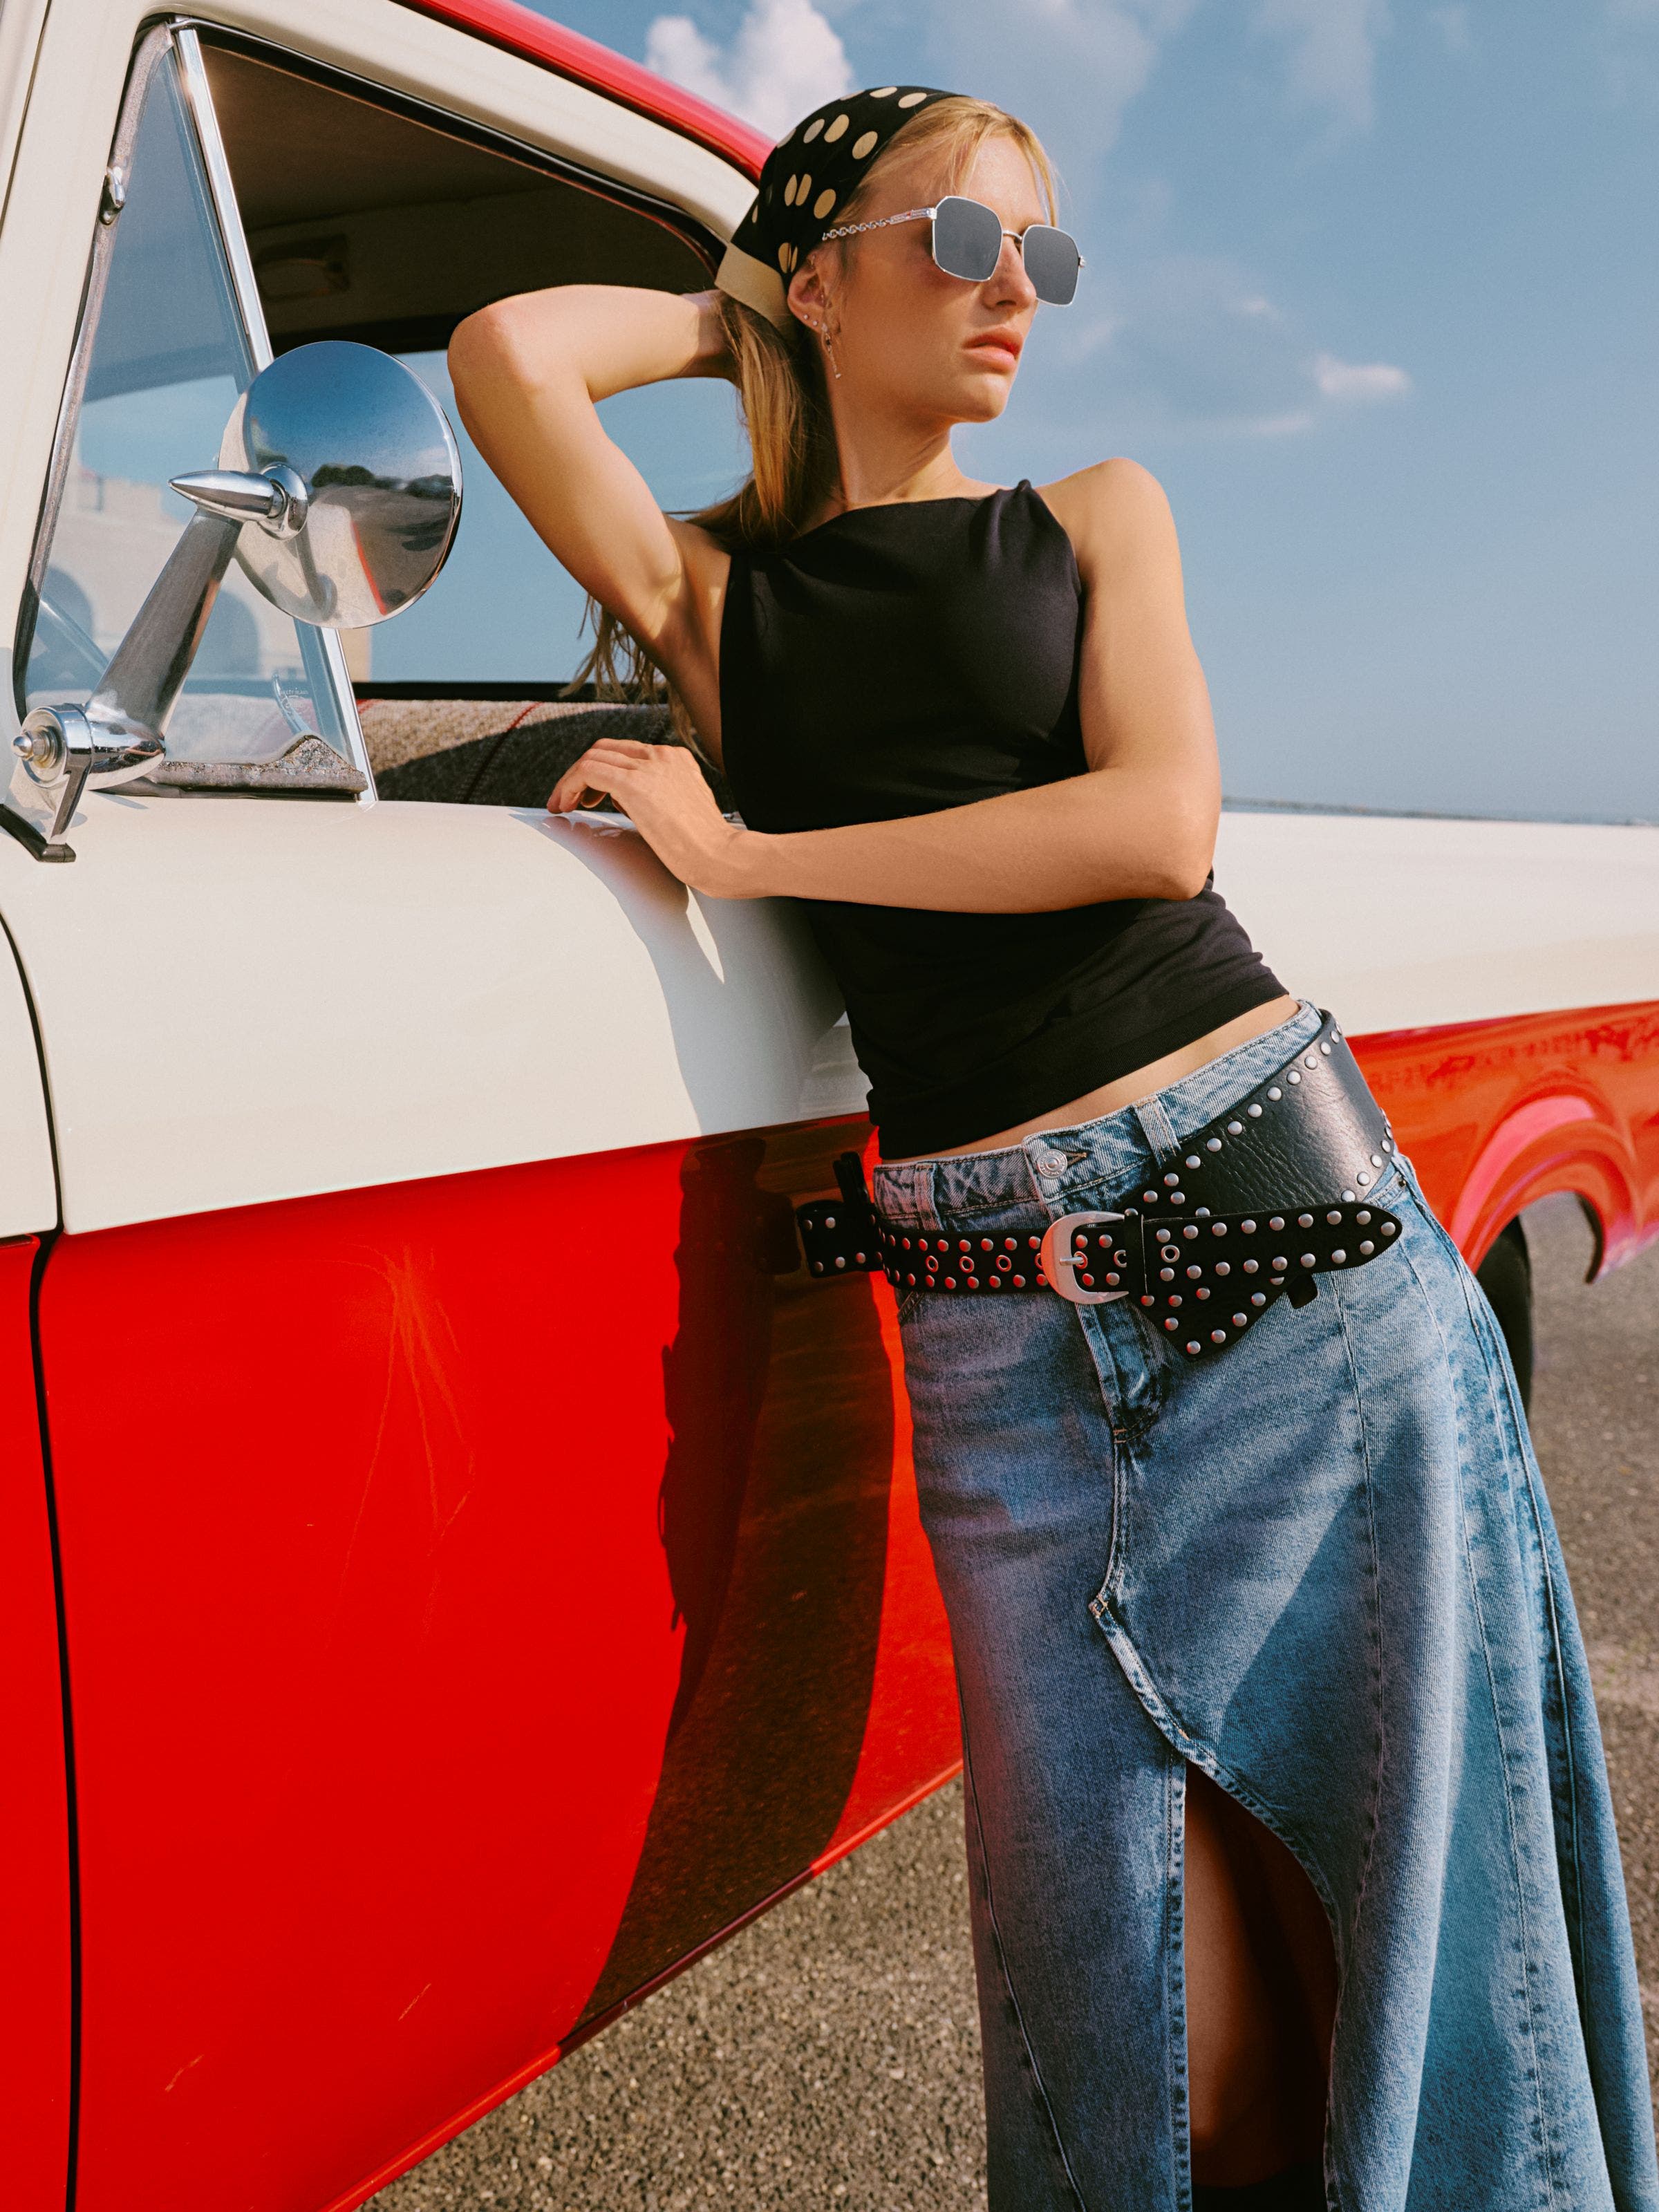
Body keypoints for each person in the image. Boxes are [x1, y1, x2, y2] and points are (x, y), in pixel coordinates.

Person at [448, 83, 1658, 2211]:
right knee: (1149, 2060)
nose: (1018, 291)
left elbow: (1153, 827)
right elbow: (508, 358)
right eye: (960, 242)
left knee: (1420, 1982)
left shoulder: (1098, 512)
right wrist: (750, 303)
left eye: (1048, 255)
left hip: (1291, 1268)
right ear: (823, 281)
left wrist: (758, 852)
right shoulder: (719, 603)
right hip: (1001, 1357)